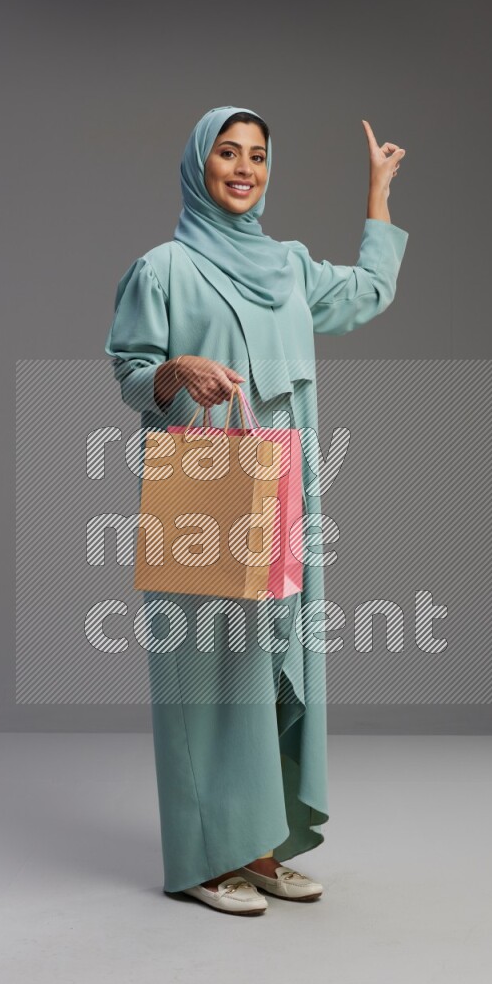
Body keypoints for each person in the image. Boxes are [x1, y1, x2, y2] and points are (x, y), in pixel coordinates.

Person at [104, 105, 408, 916]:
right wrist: (176, 371)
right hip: (206, 491)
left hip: (284, 493)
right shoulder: (162, 268)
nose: (244, 168)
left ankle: (262, 847)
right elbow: (131, 375)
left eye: (259, 156)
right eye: (228, 153)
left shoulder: (289, 267)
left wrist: (377, 193)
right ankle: (205, 859)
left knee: (272, 661)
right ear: (199, 164)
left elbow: (371, 290)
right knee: (204, 673)